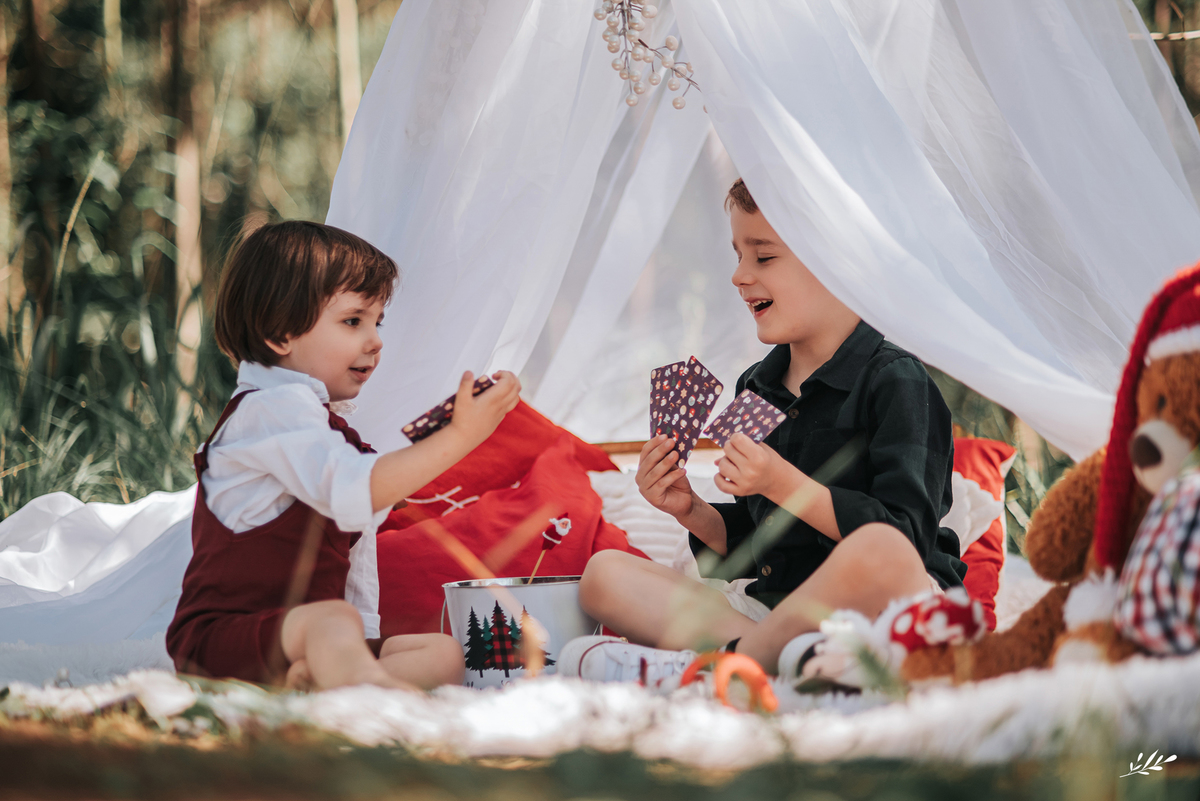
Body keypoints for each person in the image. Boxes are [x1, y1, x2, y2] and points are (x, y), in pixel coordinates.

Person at [560, 180, 964, 685]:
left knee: (880, 550)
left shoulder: (896, 381)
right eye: (737, 254)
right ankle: (758, 659)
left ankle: (729, 664)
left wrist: (780, 481)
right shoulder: (757, 386)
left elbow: (907, 538)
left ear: (836, 263)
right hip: (776, 616)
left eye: (763, 257)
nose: (737, 275)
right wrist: (691, 510)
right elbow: (762, 548)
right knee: (605, 574)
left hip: (887, 609)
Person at [166, 221, 521, 691]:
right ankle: (360, 700)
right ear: (280, 333)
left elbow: (354, 568)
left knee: (442, 652)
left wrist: (363, 637)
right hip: (223, 640)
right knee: (331, 620)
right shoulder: (270, 409)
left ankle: (313, 685)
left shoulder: (321, 425)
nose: (375, 340)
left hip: (313, 640)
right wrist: (459, 437)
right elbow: (356, 489)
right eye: (354, 321)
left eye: (378, 322)